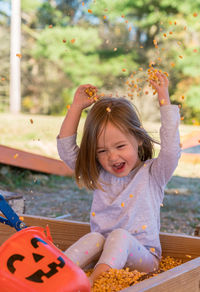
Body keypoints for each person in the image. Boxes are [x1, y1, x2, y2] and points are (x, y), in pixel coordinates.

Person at [57, 72, 181, 287]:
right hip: (103, 255)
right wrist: (76, 107)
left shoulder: (153, 174)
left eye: (120, 146)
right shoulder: (99, 173)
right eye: (102, 150)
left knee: (119, 236)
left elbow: (171, 150)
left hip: (143, 259)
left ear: (139, 140)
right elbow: (67, 149)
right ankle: (55, 276)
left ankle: (96, 285)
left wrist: (163, 97)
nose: (112, 157)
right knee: (94, 238)